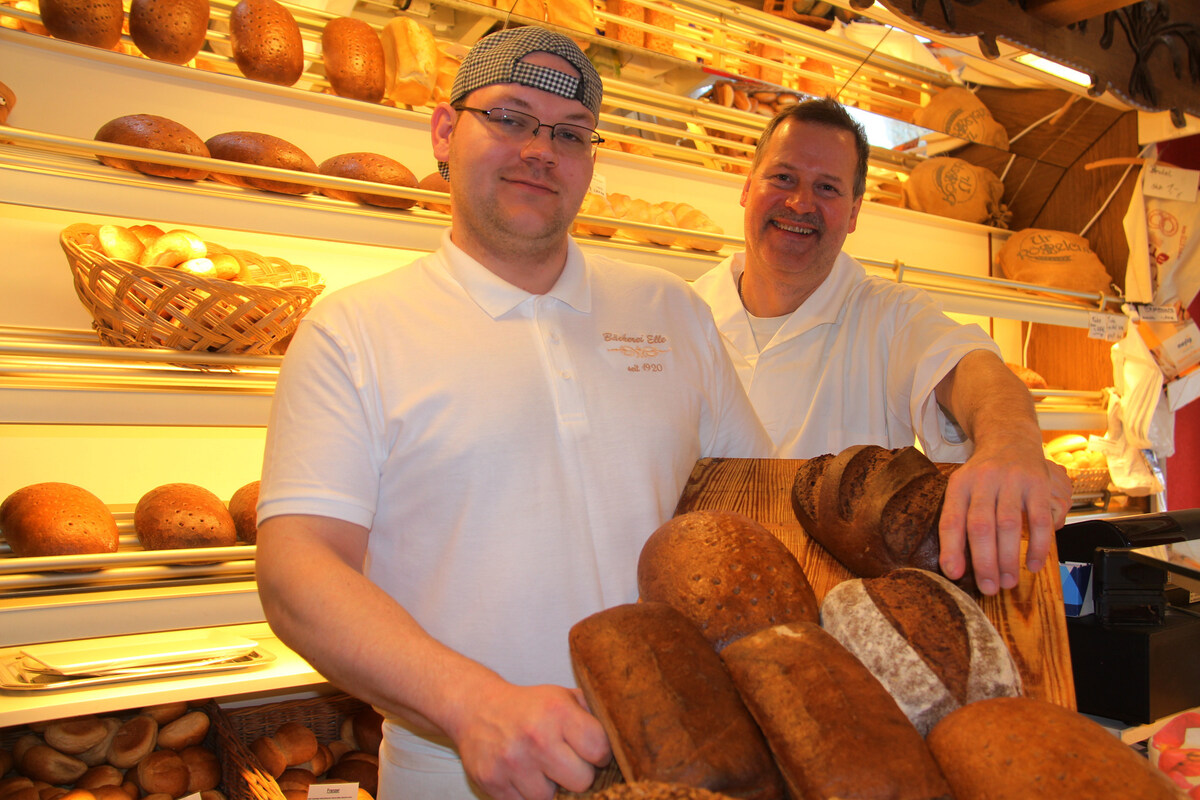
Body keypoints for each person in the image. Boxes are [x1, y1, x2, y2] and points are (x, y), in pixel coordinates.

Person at [253, 25, 770, 800]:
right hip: (457, 772)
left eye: (569, 133)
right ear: (442, 132)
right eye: (509, 116)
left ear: (591, 161)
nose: (539, 148)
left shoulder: (670, 310)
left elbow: (752, 511)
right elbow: (298, 568)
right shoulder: (356, 328)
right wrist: (472, 705)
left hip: (681, 763)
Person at [691, 97, 1072, 597]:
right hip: (696, 590)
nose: (801, 202)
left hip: (839, 615)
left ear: (852, 214)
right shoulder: (683, 312)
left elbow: (972, 367)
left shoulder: (888, 316)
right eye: (783, 178)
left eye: (827, 188)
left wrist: (1011, 442)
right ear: (747, 187)